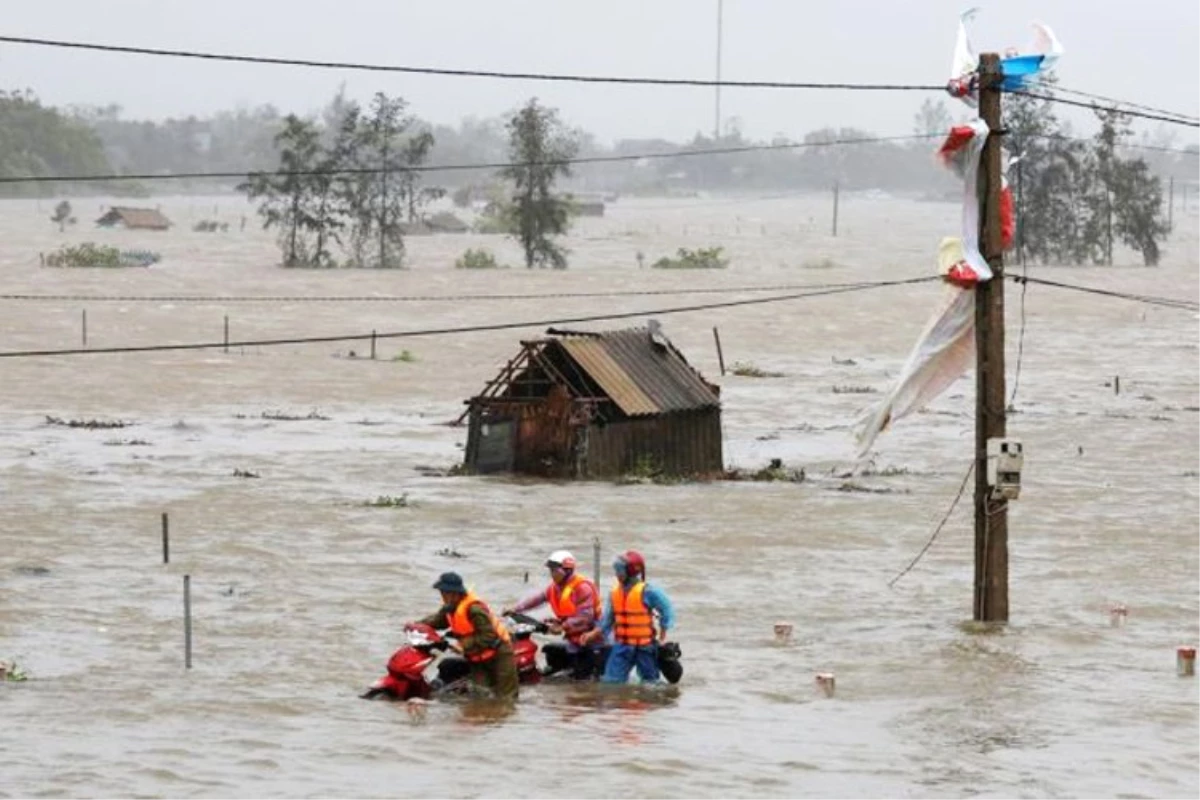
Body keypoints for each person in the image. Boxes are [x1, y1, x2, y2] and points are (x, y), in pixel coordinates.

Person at [504, 550, 605, 680]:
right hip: (573, 637)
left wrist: (562, 626)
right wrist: (515, 609)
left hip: (592, 638)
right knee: (563, 665)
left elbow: (585, 617)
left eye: (554, 570)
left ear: (567, 570)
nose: (552, 574)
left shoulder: (582, 588)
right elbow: (537, 599)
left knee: (583, 678)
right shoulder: (554, 588)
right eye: (551, 571)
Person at [418, 572, 519, 700]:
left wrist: (462, 645)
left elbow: (488, 635)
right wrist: (417, 626)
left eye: (444, 592)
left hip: (499, 655)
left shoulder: (474, 609)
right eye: (441, 593)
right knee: (480, 695)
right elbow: (436, 621)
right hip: (477, 658)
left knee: (507, 697)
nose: (442, 596)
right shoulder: (449, 608)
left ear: (455, 593)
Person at [583, 550, 675, 684]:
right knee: (611, 682)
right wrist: (593, 634)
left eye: (619, 570)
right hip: (622, 646)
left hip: (645, 647)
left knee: (651, 684)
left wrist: (662, 635)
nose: (617, 574)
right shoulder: (614, 593)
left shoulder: (648, 591)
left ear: (631, 571)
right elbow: (607, 620)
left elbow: (666, 610)